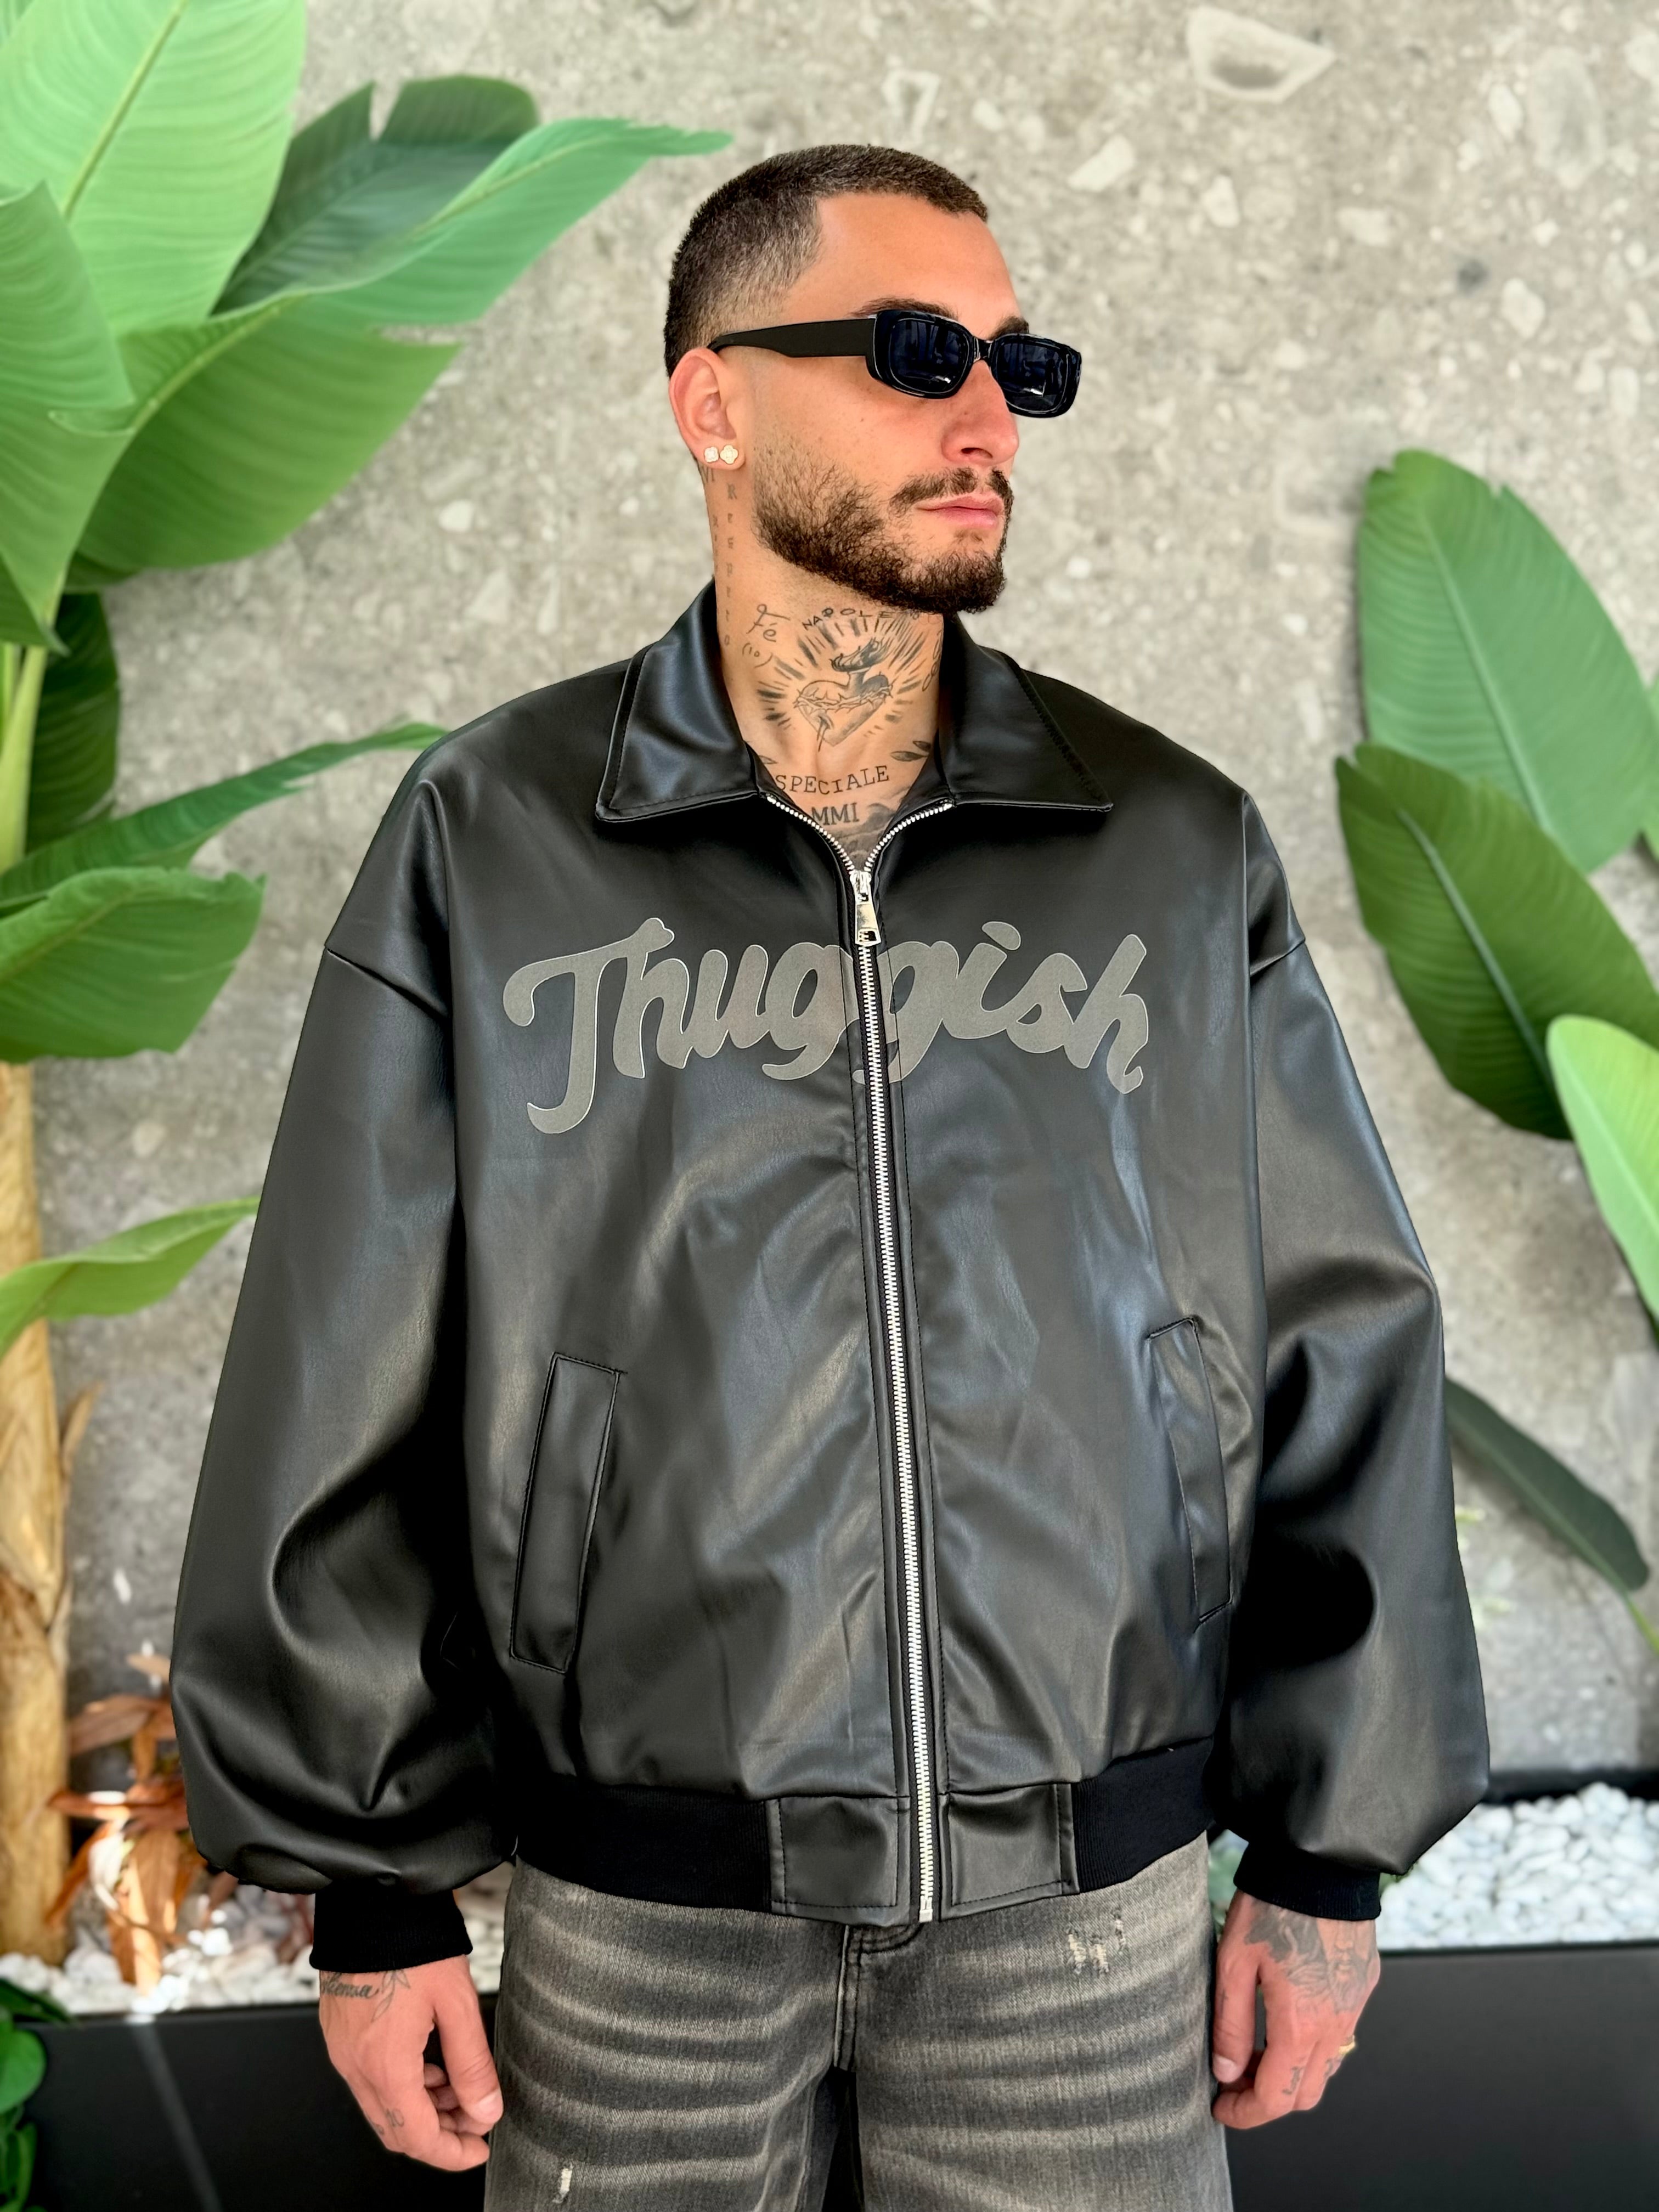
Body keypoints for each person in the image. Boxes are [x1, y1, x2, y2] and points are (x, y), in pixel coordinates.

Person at [171, 144, 1489, 2209]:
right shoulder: (494, 840)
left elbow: (1340, 1331)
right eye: (912, 354)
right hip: (639, 1931)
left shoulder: (1167, 848)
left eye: (1016, 366)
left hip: (1092, 1924)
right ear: (712, 400)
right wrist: (373, 1882)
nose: (987, 418)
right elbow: (340, 1359)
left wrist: (1327, 1857)